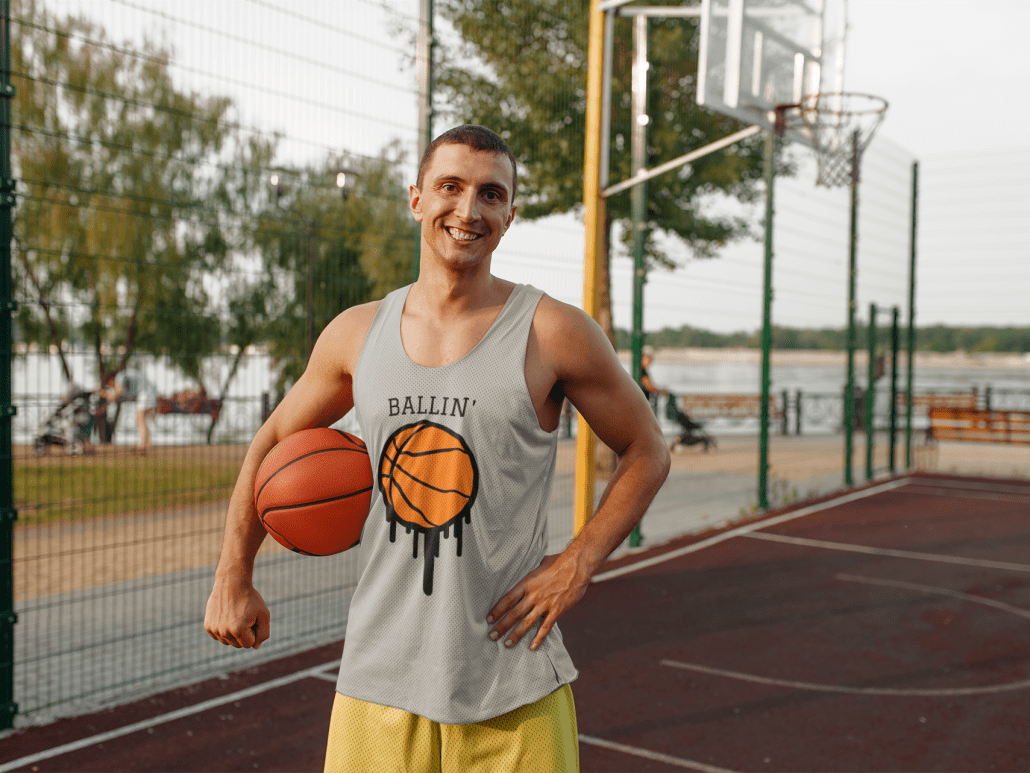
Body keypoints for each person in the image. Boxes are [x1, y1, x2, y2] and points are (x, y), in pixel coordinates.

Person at [204, 125, 671, 773]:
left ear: (510, 214)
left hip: (513, 682)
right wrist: (235, 574)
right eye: (449, 187)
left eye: (490, 194)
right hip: (379, 681)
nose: (468, 209)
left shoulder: (554, 331)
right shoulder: (355, 333)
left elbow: (648, 447)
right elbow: (273, 443)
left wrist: (578, 561)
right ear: (417, 199)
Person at [101, 368, 158, 454]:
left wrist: (105, 395)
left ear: (111, 379)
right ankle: (147, 444)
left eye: (110, 384)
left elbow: (117, 394)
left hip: (145, 393)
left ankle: (143, 445)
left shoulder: (119, 377)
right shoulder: (125, 375)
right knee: (142, 419)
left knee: (140, 418)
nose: (112, 385)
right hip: (149, 392)